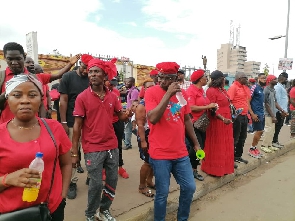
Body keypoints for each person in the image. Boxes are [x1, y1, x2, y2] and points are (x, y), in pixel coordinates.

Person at [0, 75, 72, 221]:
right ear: (8, 99)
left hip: (52, 210)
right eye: (17, 95)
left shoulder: (54, 128)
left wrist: (62, 195)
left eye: (32, 95)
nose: (25, 100)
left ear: (41, 99)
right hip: (12, 214)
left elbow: (66, 163)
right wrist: (7, 180)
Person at [71, 58, 131, 221]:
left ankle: (104, 210)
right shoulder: (82, 98)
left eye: (96, 71)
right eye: (90, 71)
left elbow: (121, 117)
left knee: (112, 181)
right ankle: (90, 214)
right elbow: (77, 126)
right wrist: (74, 152)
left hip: (112, 146)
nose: (93, 74)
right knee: (96, 184)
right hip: (92, 147)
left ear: (105, 75)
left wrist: (128, 115)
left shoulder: (112, 96)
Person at [145, 62, 199, 221]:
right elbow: (153, 118)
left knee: (189, 187)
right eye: (160, 77)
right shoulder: (151, 92)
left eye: (167, 78)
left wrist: (195, 143)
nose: (162, 81)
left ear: (176, 79)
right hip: (160, 153)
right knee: (162, 193)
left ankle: (182, 218)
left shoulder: (181, 96)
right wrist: (168, 94)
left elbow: (187, 119)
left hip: (180, 152)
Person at [0, 42, 80, 124]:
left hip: (33, 128)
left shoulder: (35, 78)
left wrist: (70, 64)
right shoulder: (1, 78)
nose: (14, 62)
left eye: (18, 59)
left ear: (23, 57)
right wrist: (7, 93)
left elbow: (57, 75)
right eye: (10, 59)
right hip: (6, 128)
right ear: (5, 58)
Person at [59, 54, 93, 200]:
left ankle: (91, 176)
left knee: (91, 151)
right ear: (80, 64)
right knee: (72, 152)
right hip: (72, 121)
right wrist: (64, 122)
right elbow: (63, 100)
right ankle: (72, 182)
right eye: (86, 68)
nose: (87, 72)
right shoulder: (68, 77)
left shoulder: (92, 78)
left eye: (90, 69)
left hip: (89, 123)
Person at [201, 70, 234, 176]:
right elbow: (212, 109)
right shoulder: (211, 91)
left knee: (225, 144)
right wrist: (222, 118)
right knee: (217, 144)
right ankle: (213, 169)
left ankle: (224, 167)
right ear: (220, 79)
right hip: (217, 121)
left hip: (226, 120)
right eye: (223, 78)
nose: (225, 80)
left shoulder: (222, 90)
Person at [186, 69, 218, 181]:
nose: (206, 78)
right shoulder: (191, 91)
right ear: (200, 79)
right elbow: (191, 107)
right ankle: (193, 170)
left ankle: (192, 167)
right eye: (205, 77)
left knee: (200, 147)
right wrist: (208, 107)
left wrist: (212, 106)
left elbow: (205, 103)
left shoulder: (201, 91)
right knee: (197, 148)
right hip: (194, 123)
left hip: (202, 124)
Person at [105, 78, 130, 179]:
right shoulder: (98, 92)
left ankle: (120, 167)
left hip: (117, 121)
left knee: (118, 145)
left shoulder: (115, 91)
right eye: (110, 84)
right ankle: (103, 169)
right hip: (104, 124)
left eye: (113, 84)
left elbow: (118, 108)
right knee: (104, 147)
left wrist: (125, 113)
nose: (112, 86)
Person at [135, 78, 155, 197]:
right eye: (149, 87)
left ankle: (149, 181)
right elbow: (140, 125)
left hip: (156, 135)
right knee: (147, 162)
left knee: (153, 161)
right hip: (146, 136)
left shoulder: (156, 101)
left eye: (153, 86)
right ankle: (142, 186)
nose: (152, 89)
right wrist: (143, 141)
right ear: (144, 89)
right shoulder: (142, 106)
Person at [227, 73, 251, 165]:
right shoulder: (234, 87)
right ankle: (231, 158)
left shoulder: (244, 88)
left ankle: (238, 156)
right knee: (235, 138)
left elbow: (246, 101)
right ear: (239, 78)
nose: (247, 79)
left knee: (243, 137)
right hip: (237, 116)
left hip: (244, 115)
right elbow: (230, 101)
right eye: (245, 78)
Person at [261, 75, 287, 153]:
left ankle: (269, 145)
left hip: (273, 113)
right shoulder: (266, 90)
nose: (276, 80)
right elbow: (266, 103)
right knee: (268, 129)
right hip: (268, 113)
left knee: (272, 130)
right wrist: (272, 115)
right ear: (270, 80)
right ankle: (264, 145)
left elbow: (275, 102)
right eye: (275, 79)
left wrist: (282, 110)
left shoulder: (273, 90)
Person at [248, 73, 266, 158]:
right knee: (259, 131)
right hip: (256, 113)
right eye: (262, 78)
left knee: (261, 131)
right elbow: (248, 101)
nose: (264, 80)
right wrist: (252, 113)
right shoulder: (254, 87)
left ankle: (254, 148)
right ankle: (251, 149)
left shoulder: (262, 89)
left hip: (261, 113)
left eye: (265, 78)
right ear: (258, 78)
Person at [272, 72, 289, 148]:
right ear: (282, 78)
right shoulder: (278, 87)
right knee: (277, 127)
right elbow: (277, 100)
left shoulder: (281, 86)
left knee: (279, 126)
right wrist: (281, 111)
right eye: (286, 78)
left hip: (283, 111)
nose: (286, 80)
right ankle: (273, 141)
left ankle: (276, 140)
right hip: (279, 111)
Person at [123, 77, 139, 150]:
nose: (126, 84)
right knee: (132, 129)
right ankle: (142, 137)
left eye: (128, 82)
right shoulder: (130, 91)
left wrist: (129, 113)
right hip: (129, 112)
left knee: (128, 129)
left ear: (132, 83)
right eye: (125, 82)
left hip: (131, 113)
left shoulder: (134, 91)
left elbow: (134, 104)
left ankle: (128, 144)